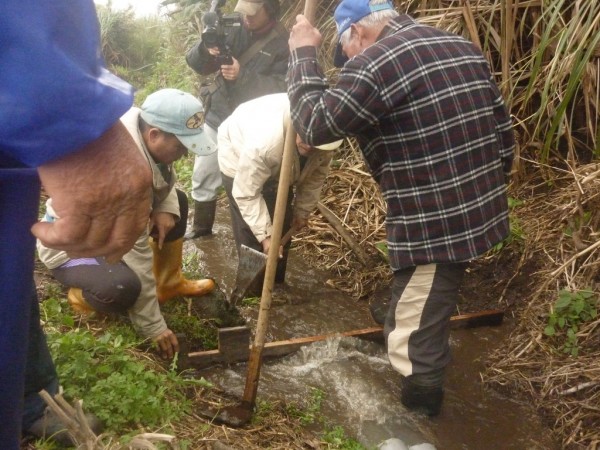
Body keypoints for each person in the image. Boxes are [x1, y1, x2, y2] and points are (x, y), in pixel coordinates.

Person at [286, 0, 515, 416]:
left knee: (412, 332)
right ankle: (409, 315)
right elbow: (503, 127)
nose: (349, 61)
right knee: (425, 286)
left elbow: (315, 124)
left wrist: (303, 53)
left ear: (357, 33)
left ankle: (423, 411)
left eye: (346, 51)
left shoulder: (377, 61)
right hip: (479, 197)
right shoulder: (455, 43)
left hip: (436, 215)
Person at [1, 1, 153, 447]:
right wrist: (65, 113)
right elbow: (134, 248)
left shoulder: (160, 171)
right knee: (121, 285)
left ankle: (31, 400)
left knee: (11, 285)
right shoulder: (124, 165)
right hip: (59, 245)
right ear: (156, 134)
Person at [37, 89, 217, 361]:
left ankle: (168, 283)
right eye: (181, 147)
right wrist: (153, 326)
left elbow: (163, 172)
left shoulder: (141, 129)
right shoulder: (122, 177)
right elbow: (138, 256)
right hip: (71, 248)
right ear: (154, 135)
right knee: (122, 288)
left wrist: (165, 208)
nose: (183, 155)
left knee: (176, 202)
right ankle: (82, 296)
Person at [184, 0, 290, 239]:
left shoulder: (283, 43)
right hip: (219, 115)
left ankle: (254, 234)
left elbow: (283, 90)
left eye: (254, 13)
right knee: (203, 174)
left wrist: (242, 75)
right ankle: (201, 229)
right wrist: (205, 48)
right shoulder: (231, 25)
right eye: (244, 12)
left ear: (270, 10)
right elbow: (194, 63)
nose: (247, 18)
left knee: (252, 182)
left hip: (255, 128)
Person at [217, 93, 342, 287]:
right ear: (296, 125)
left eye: (315, 142)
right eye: (305, 138)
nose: (309, 146)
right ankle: (252, 293)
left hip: (277, 157)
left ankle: (276, 285)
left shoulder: (325, 143)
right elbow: (246, 193)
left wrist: (302, 212)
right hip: (237, 150)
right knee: (251, 234)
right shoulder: (264, 144)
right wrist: (266, 237)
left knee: (283, 223)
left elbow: (314, 179)